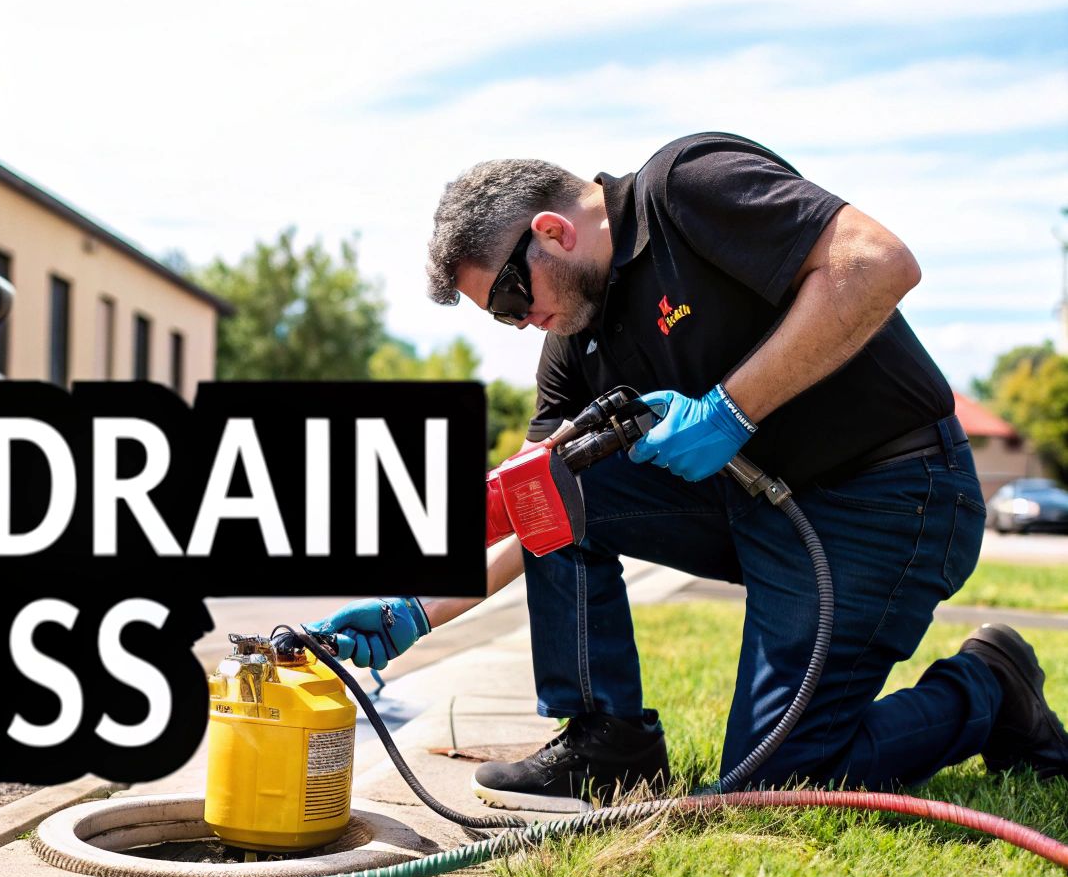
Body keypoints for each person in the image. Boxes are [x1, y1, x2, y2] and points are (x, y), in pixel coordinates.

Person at [312, 133, 1068, 813]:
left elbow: (876, 264)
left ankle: (990, 688)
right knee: (553, 480)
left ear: (551, 232)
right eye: (502, 318)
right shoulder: (578, 339)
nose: (521, 323)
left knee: (772, 786)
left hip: (891, 497)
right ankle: (609, 741)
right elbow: (531, 507)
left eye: (514, 297)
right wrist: (411, 611)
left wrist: (729, 413)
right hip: (765, 509)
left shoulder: (687, 187)